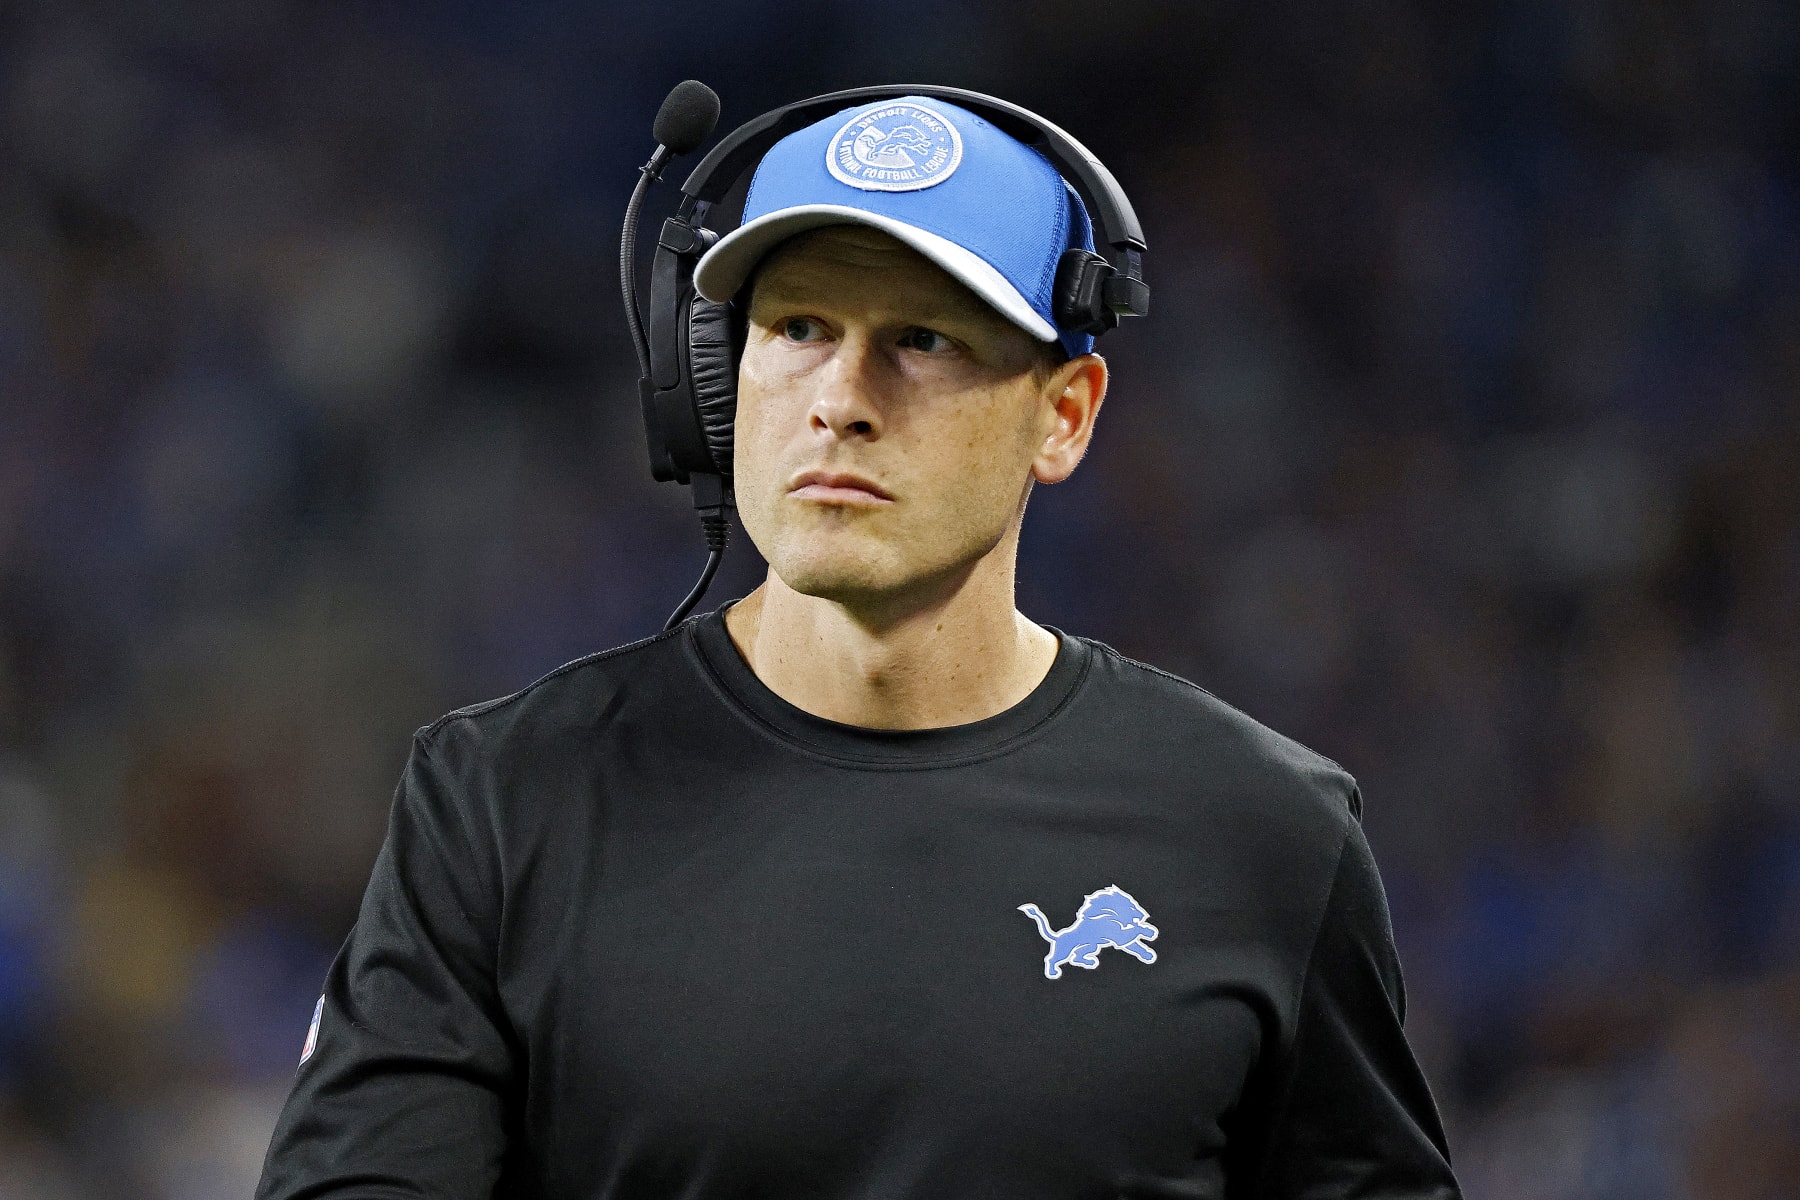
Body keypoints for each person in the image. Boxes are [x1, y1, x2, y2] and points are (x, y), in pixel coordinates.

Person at [256, 93, 1460, 1199]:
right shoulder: (501, 806)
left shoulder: (1265, 837)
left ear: (1066, 414)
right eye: (799, 326)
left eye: (925, 339)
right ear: (716, 388)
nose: (842, 394)